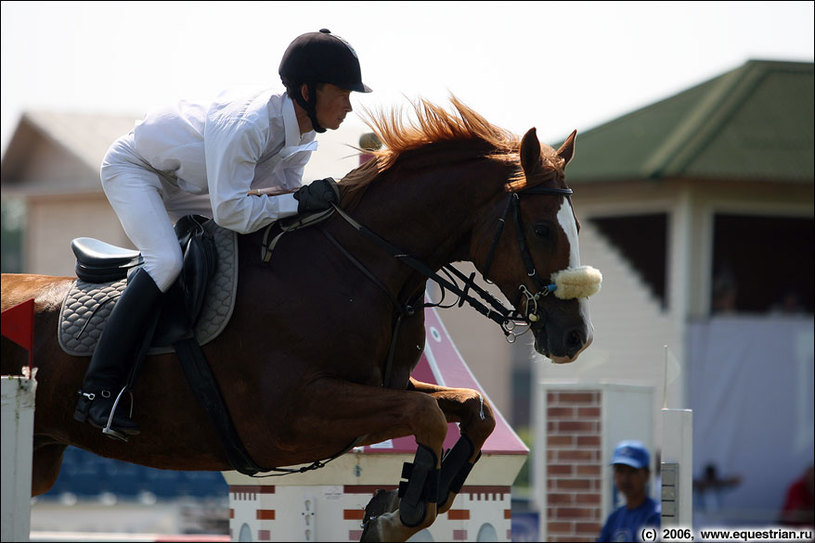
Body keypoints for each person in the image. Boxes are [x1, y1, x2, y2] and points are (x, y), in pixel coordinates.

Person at [73, 28, 372, 441]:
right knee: (166, 261)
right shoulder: (249, 124)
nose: (348, 107)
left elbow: (276, 199)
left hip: (198, 187)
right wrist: (301, 201)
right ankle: (98, 389)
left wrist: (310, 201)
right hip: (139, 171)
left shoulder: (302, 138)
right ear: (307, 91)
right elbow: (236, 211)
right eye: (342, 94)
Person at [598, 441, 661, 542]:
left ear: (647, 475)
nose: (625, 479)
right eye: (620, 471)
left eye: (632, 471)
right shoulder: (614, 519)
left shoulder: (656, 516)